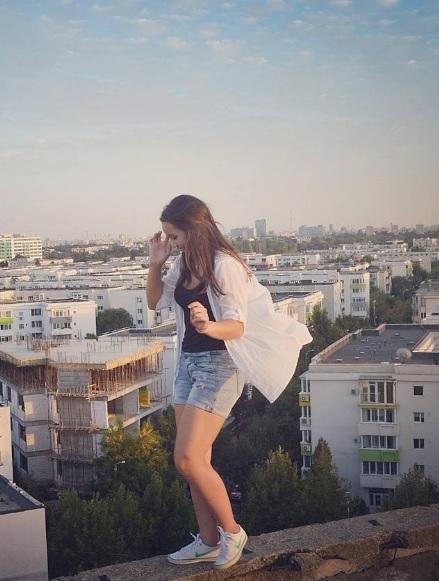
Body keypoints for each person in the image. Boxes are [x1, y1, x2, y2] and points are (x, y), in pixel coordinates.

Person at [146, 194, 312, 570]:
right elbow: (155, 302)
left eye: (174, 236)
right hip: (188, 363)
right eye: (167, 237)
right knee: (195, 462)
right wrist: (155, 264)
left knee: (187, 457)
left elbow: (236, 326)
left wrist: (208, 325)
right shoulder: (183, 263)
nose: (171, 243)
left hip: (219, 366)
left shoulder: (225, 266)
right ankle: (207, 540)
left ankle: (232, 532)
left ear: (194, 229)